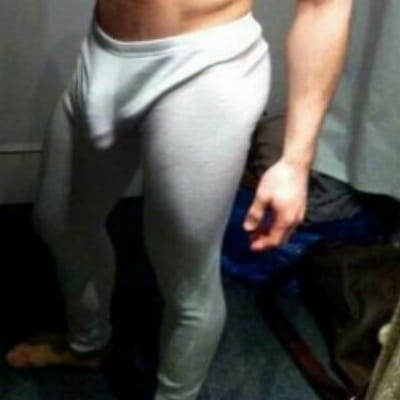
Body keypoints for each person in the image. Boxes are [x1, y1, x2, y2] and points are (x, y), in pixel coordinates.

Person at [6, 0, 353, 399]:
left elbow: (324, 7)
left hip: (205, 69)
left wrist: (295, 161)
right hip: (103, 51)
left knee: (186, 278)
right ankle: (88, 344)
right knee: (59, 222)